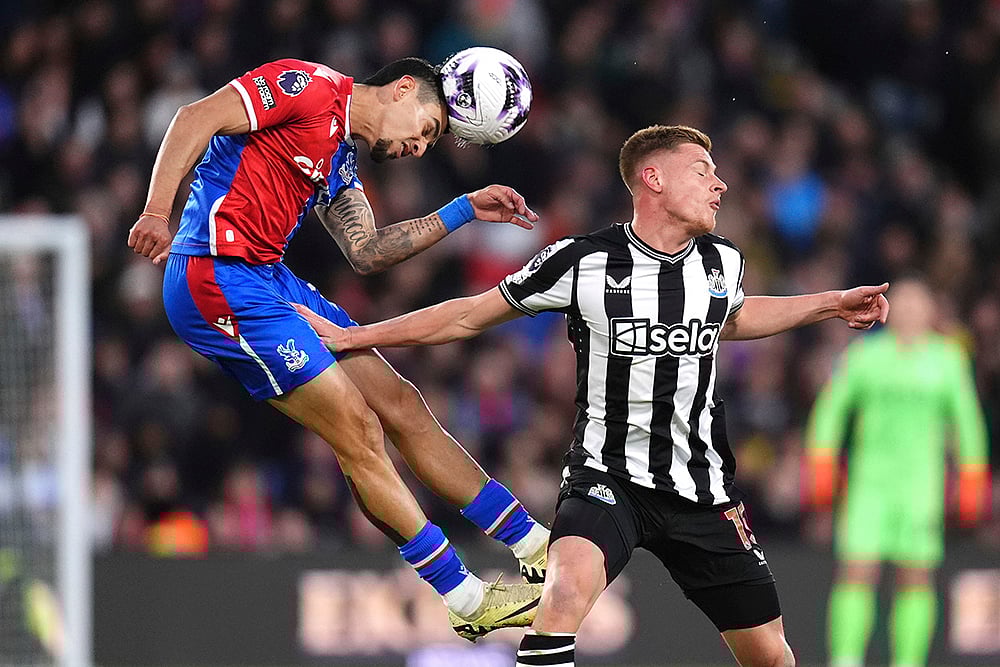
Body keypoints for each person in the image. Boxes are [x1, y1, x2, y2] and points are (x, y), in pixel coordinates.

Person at [293, 124, 891, 666]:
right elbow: (469, 316)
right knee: (562, 596)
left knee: (771, 657)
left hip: (701, 489)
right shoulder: (582, 262)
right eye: (703, 172)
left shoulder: (721, 261)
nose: (722, 185)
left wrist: (829, 304)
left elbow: (733, 316)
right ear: (653, 179)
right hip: (607, 477)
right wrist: (358, 335)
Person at [126, 55, 550, 639]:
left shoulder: (341, 158)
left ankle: (533, 545)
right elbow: (193, 116)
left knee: (400, 401)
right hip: (213, 274)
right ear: (403, 89)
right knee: (359, 430)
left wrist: (462, 209)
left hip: (267, 277)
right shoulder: (304, 86)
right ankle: (466, 595)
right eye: (426, 128)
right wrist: (156, 210)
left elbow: (367, 252)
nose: (420, 148)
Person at [806, 276, 989, 667]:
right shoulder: (865, 357)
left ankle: (909, 661)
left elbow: (968, 422)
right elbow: (831, 410)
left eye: (916, 303)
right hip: (869, 484)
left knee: (916, 575)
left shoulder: (948, 360)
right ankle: (845, 659)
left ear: (930, 312)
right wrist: (821, 463)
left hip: (921, 486)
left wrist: (973, 478)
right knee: (857, 569)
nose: (907, 310)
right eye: (901, 302)